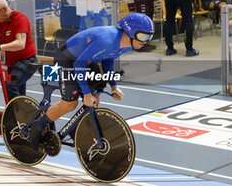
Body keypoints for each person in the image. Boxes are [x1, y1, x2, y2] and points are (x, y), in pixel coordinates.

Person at [29, 13, 155, 149]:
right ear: (130, 32)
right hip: (67, 58)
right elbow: (78, 65)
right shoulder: (107, 41)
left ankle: (75, 128)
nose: (145, 41)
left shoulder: (127, 44)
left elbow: (108, 59)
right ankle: (38, 125)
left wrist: (113, 86)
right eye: (143, 36)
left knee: (96, 93)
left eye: (149, 37)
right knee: (70, 104)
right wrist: (86, 94)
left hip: (85, 58)